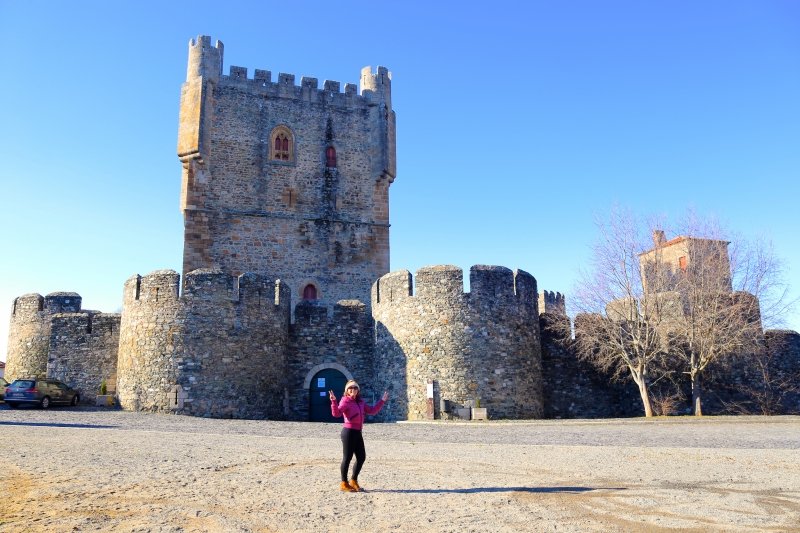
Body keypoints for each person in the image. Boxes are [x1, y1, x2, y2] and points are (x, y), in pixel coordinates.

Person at [329, 380, 389, 492]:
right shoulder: (345, 401)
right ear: (347, 390)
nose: (353, 390)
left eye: (355, 388)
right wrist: (333, 401)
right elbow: (336, 414)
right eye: (350, 388)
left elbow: (372, 411)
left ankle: (353, 480)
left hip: (358, 432)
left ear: (358, 390)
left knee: (361, 457)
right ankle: (344, 483)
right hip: (348, 432)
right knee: (347, 458)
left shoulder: (360, 402)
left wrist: (382, 401)